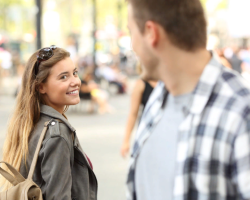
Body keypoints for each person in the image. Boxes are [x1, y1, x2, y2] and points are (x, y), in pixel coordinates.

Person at [126, 1, 250, 200]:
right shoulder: (158, 99)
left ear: (151, 32)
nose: (132, 45)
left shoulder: (241, 113)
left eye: (131, 32)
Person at [0, 46, 98, 200]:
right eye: (63, 77)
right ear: (41, 87)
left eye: (75, 73)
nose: (75, 82)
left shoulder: (31, 122)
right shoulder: (56, 133)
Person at [120, 64, 157, 157]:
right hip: (147, 131)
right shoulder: (141, 83)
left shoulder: (167, 81)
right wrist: (126, 141)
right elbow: (133, 114)